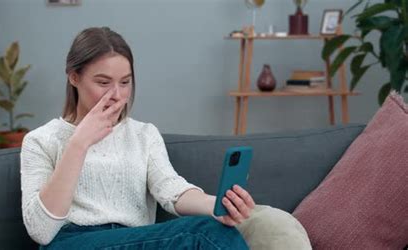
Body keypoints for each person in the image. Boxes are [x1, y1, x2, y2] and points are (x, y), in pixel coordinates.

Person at [20, 27, 309, 250]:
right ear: (73, 77)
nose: (117, 95)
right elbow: (41, 232)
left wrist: (216, 205)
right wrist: (79, 143)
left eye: (125, 82)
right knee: (201, 235)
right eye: (103, 82)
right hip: (73, 242)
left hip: (136, 239)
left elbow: (171, 189)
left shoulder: (143, 135)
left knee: (217, 229)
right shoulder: (41, 140)